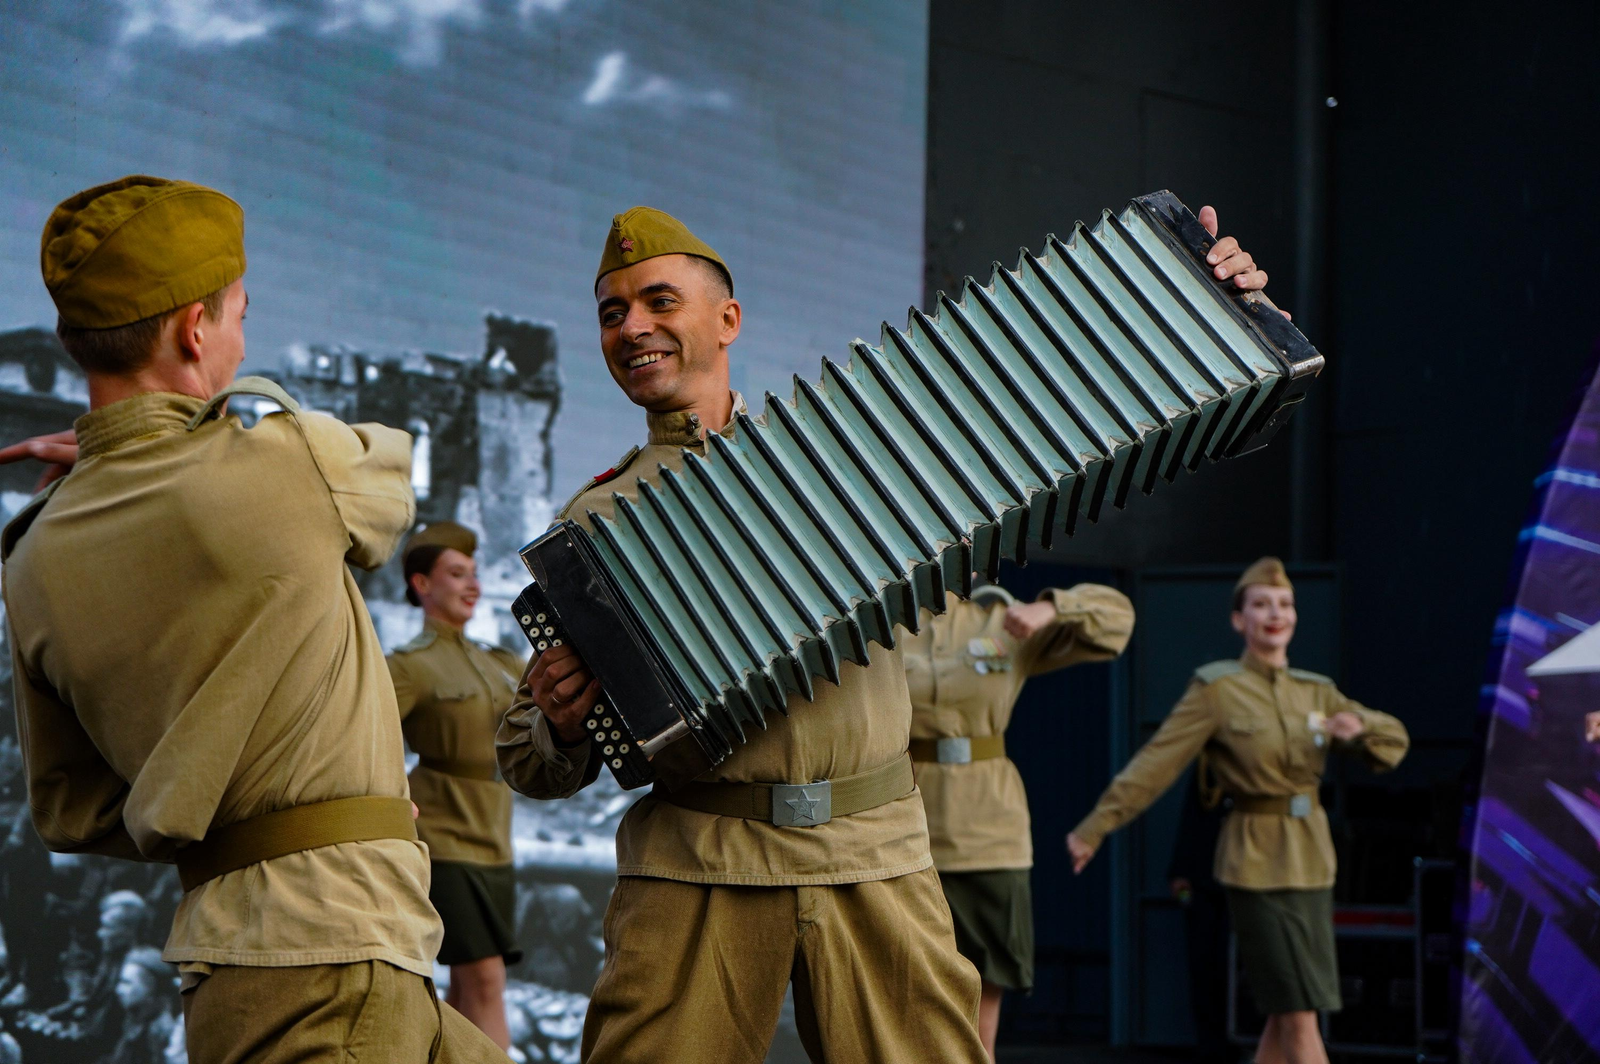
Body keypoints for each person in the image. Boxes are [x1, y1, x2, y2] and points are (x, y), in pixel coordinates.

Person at [496, 205, 1271, 1063]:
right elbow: (530, 758)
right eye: (613, 313)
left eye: (658, 301)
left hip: (875, 857)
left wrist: (1206, 304)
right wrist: (562, 724)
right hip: (697, 865)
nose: (633, 327)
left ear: (727, 320)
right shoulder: (595, 528)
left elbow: (1076, 405)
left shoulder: (862, 462)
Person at [0, 175, 507, 1062]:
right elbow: (391, 480)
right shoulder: (281, 461)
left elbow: (71, 807)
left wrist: (211, 798)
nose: (242, 334)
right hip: (332, 950)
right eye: (238, 312)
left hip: (251, 947)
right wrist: (242, 411)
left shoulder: (33, 556)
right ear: (195, 328)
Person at [1066, 558, 1410, 1064]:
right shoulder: (1217, 689)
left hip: (1312, 862)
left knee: (1286, 1012)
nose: (1275, 613)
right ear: (1238, 619)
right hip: (1255, 863)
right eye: (1261, 604)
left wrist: (1359, 728)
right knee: (1297, 1011)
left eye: (1285, 604)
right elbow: (1155, 763)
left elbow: (1395, 744)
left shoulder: (1314, 690)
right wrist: (1096, 827)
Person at [904, 580, 1133, 1060]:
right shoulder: (881, 626)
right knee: (910, 987)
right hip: (906, 827)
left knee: (988, 988)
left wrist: (1051, 608)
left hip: (989, 829)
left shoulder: (999, 619)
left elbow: (1117, 623)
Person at [389, 520, 527, 1050]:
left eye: (473, 574)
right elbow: (369, 738)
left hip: (494, 834)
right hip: (443, 839)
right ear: (422, 584)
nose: (472, 585)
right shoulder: (408, 668)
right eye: (455, 573)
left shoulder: (501, 663)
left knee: (465, 989)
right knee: (486, 980)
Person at [102, 946, 179, 1064]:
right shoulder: (135, 1019)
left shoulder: (159, 1033)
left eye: (127, 983)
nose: (118, 990)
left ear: (150, 987)